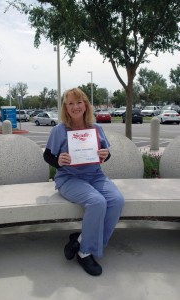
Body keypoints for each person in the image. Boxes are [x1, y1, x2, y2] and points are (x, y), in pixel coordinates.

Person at [43, 88, 125, 276]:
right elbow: (47, 155)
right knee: (97, 202)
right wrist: (58, 161)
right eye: (70, 103)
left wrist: (105, 155)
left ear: (86, 104)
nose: (75, 106)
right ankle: (84, 252)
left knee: (117, 201)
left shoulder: (96, 129)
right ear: (65, 107)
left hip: (95, 175)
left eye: (79, 102)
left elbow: (105, 153)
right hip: (69, 178)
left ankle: (80, 239)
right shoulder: (59, 130)